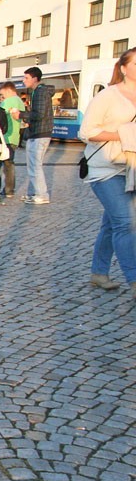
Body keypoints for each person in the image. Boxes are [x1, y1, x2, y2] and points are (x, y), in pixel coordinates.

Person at [77, 47, 136, 299]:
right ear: (123, 68)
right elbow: (86, 132)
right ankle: (134, 280)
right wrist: (123, 135)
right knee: (126, 223)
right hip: (105, 168)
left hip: (131, 168)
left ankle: (99, 273)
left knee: (112, 224)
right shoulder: (107, 96)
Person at [20, 66, 55, 204]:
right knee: (32, 165)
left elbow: (39, 114)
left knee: (35, 165)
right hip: (35, 132)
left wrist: (21, 114)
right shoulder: (36, 92)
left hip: (40, 133)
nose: (24, 80)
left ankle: (42, 195)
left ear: (35, 79)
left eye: (26, 78)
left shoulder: (41, 92)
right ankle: (33, 192)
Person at [0, 81, 26, 198]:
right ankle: (9, 189)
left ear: (9, 90)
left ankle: (2, 189)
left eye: (3, 93)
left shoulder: (8, 101)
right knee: (9, 163)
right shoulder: (20, 101)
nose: (3, 96)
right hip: (15, 137)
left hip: (5, 137)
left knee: (1, 165)